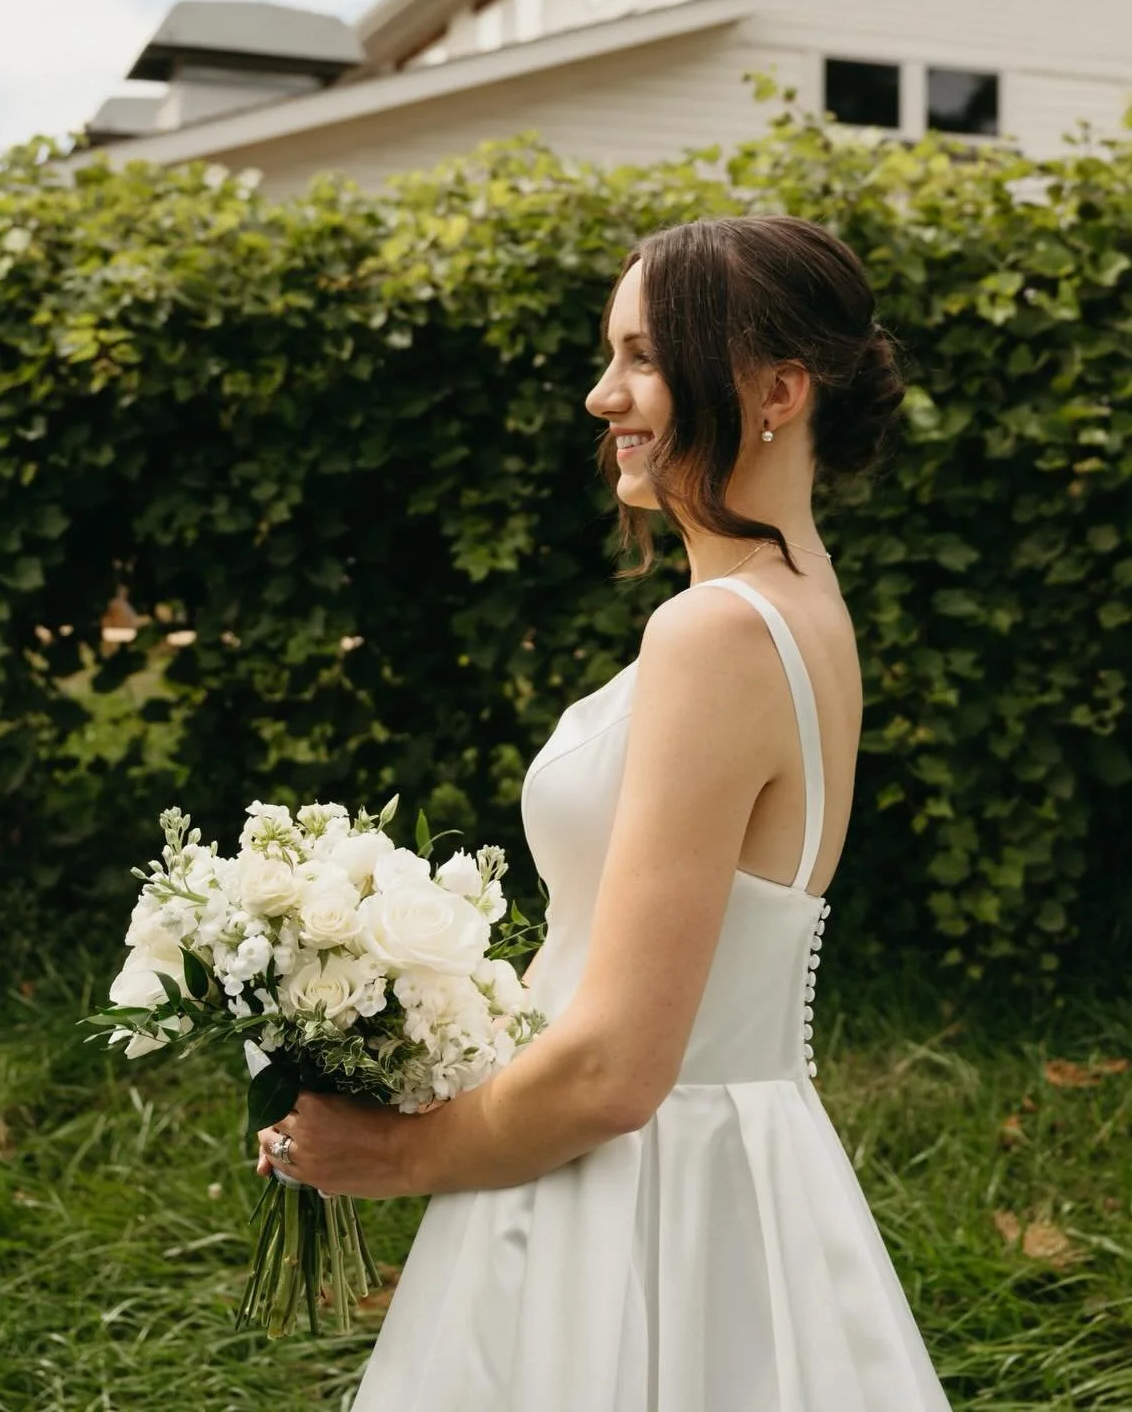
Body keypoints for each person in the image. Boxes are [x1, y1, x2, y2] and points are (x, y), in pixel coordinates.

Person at [257, 212, 953, 1410]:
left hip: (639, 1197)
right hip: (739, 1166)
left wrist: (395, 1155)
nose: (602, 396)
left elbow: (620, 1071)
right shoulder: (800, 609)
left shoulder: (718, 633)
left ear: (778, 389)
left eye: (643, 356)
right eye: (609, 354)